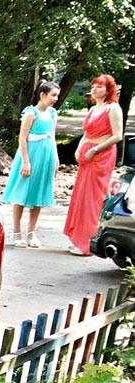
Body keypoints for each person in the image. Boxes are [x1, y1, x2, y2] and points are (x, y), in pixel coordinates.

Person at [64, 74, 124, 256]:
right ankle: (78, 238)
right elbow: (86, 134)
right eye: (94, 86)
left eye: (100, 86)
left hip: (102, 155)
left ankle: (87, 243)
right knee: (82, 196)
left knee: (93, 198)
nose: (95, 89)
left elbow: (117, 136)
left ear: (108, 90)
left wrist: (96, 149)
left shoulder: (113, 108)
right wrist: (79, 149)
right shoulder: (93, 109)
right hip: (87, 154)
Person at [0, 80, 60, 249]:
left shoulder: (53, 113)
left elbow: (52, 136)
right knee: (22, 191)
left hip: (46, 155)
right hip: (31, 155)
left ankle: (32, 232)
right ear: (42, 95)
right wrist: (26, 161)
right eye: (53, 95)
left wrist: (55, 158)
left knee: (39, 192)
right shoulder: (31, 113)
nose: (56, 98)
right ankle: (17, 232)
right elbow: (22, 138)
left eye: (57, 95)